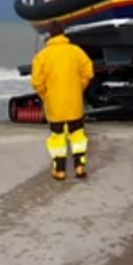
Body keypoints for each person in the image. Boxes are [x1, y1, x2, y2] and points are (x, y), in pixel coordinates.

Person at [30, 23, 95, 180]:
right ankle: (79, 166)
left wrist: (46, 95)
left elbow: (36, 82)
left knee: (57, 137)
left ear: (49, 36)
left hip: (55, 106)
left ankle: (59, 170)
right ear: (64, 34)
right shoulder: (76, 52)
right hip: (74, 104)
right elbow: (88, 72)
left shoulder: (42, 56)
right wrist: (79, 87)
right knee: (78, 135)